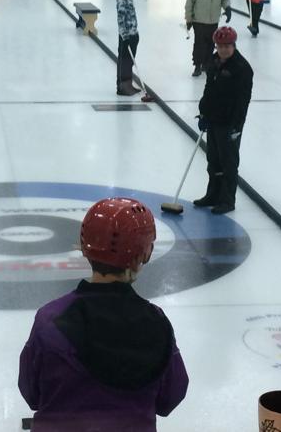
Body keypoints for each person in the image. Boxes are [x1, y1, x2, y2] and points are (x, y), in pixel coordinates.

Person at [18, 197, 189, 431]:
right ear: (144, 254)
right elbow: (170, 398)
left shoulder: (50, 320)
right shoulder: (157, 323)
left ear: (85, 247)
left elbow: (31, 394)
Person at [193, 26, 253, 215]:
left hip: (230, 122)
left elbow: (243, 101)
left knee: (228, 162)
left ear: (233, 45)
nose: (223, 49)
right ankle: (213, 194)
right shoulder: (213, 61)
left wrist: (236, 126)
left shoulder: (242, 68)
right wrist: (203, 113)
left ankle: (227, 200)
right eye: (220, 46)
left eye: (227, 46)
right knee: (213, 159)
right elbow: (209, 89)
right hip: (213, 118)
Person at [184, 0, 232, 77]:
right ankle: (197, 65)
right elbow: (189, 3)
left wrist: (228, 8)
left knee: (211, 44)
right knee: (199, 44)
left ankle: (206, 63)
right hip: (199, 21)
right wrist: (189, 19)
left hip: (213, 21)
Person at [116, 0, 140, 96]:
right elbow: (120, 20)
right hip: (126, 37)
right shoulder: (122, 1)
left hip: (133, 34)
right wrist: (124, 36)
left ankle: (128, 84)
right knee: (124, 61)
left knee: (130, 61)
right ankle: (122, 87)